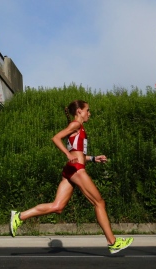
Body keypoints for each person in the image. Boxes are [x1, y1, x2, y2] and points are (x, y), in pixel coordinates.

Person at [9, 100, 133, 254]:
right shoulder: (76, 125)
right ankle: (112, 242)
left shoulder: (78, 128)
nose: (89, 113)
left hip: (71, 169)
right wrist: (67, 154)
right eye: (87, 110)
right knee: (99, 203)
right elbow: (56, 138)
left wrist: (94, 159)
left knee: (57, 207)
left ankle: (19, 217)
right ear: (79, 111)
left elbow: (78, 154)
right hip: (76, 170)